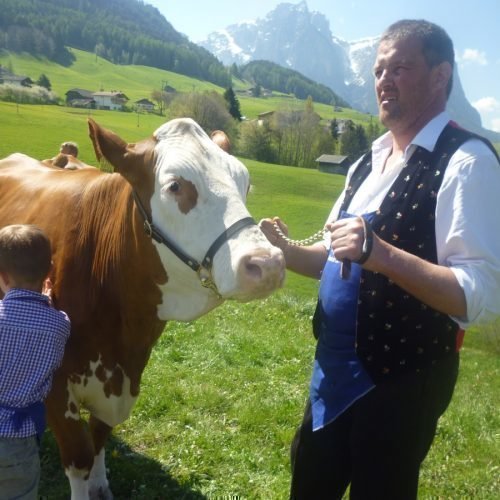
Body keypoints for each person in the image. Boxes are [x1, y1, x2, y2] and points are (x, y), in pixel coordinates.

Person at [259, 19, 500, 499]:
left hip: (402, 382)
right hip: (331, 372)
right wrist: (286, 251)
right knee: (309, 484)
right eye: (378, 71)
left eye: (400, 68)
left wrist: (381, 253)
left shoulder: (466, 161)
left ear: (440, 77)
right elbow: (332, 256)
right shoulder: (365, 162)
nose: (384, 82)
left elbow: (481, 297)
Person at [0, 224, 71, 499]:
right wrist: (45, 300)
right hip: (20, 441)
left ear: (3, 276)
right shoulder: (59, 324)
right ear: (50, 272)